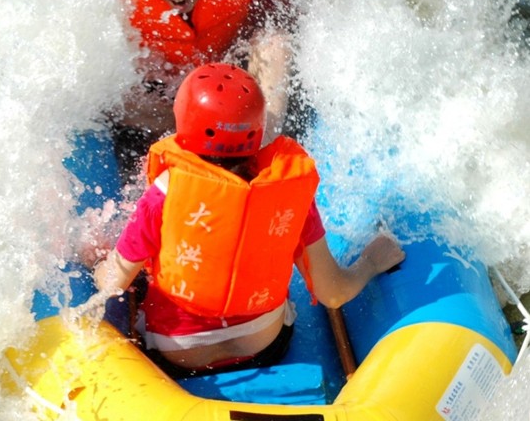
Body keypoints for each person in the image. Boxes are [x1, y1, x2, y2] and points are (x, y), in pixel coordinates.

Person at [83, 63, 405, 377]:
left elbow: (112, 284)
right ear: (258, 127)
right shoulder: (287, 192)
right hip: (264, 344)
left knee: (125, 268)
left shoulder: (164, 193)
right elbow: (333, 293)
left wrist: (97, 261)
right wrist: (370, 264)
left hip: (177, 356)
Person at [101, 0, 305, 182]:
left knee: (276, 44)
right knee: (108, 100)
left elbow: (282, 16)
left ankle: (260, 152)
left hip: (231, 85)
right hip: (158, 98)